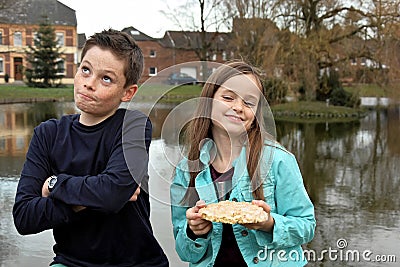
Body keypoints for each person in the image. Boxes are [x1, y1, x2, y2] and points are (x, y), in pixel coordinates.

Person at [13, 29, 169, 267]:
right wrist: (94, 195)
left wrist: (55, 185)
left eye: (106, 78)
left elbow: (113, 192)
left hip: (137, 262)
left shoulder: (133, 126)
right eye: (85, 70)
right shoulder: (47, 134)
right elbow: (24, 217)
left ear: (128, 92)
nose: (89, 84)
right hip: (71, 262)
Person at [170, 61, 316, 266]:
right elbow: (185, 253)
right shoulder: (186, 170)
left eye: (249, 102)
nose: (238, 107)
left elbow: (307, 226)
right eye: (228, 97)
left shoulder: (279, 161)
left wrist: (269, 224)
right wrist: (193, 232)